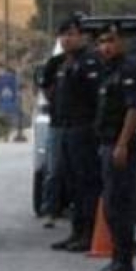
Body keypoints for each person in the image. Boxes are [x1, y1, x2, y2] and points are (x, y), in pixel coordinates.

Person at [91, 24, 136, 271]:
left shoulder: (129, 71)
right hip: (107, 144)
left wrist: (122, 144)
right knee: (111, 207)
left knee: (119, 206)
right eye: (102, 42)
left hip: (121, 146)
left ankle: (124, 264)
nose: (106, 46)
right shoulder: (108, 72)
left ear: (122, 42)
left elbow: (134, 110)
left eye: (111, 40)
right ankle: (117, 260)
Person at [49, 16, 103, 253]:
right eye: (63, 35)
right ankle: (76, 231)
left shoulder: (89, 61)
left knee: (86, 183)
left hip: (84, 129)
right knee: (71, 184)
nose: (66, 39)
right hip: (66, 128)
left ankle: (89, 233)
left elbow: (97, 98)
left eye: (71, 34)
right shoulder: (65, 63)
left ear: (82, 36)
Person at [37, 50, 67, 229]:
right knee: (53, 170)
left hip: (84, 125)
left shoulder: (92, 61)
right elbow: (45, 86)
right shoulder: (55, 62)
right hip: (58, 123)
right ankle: (50, 210)